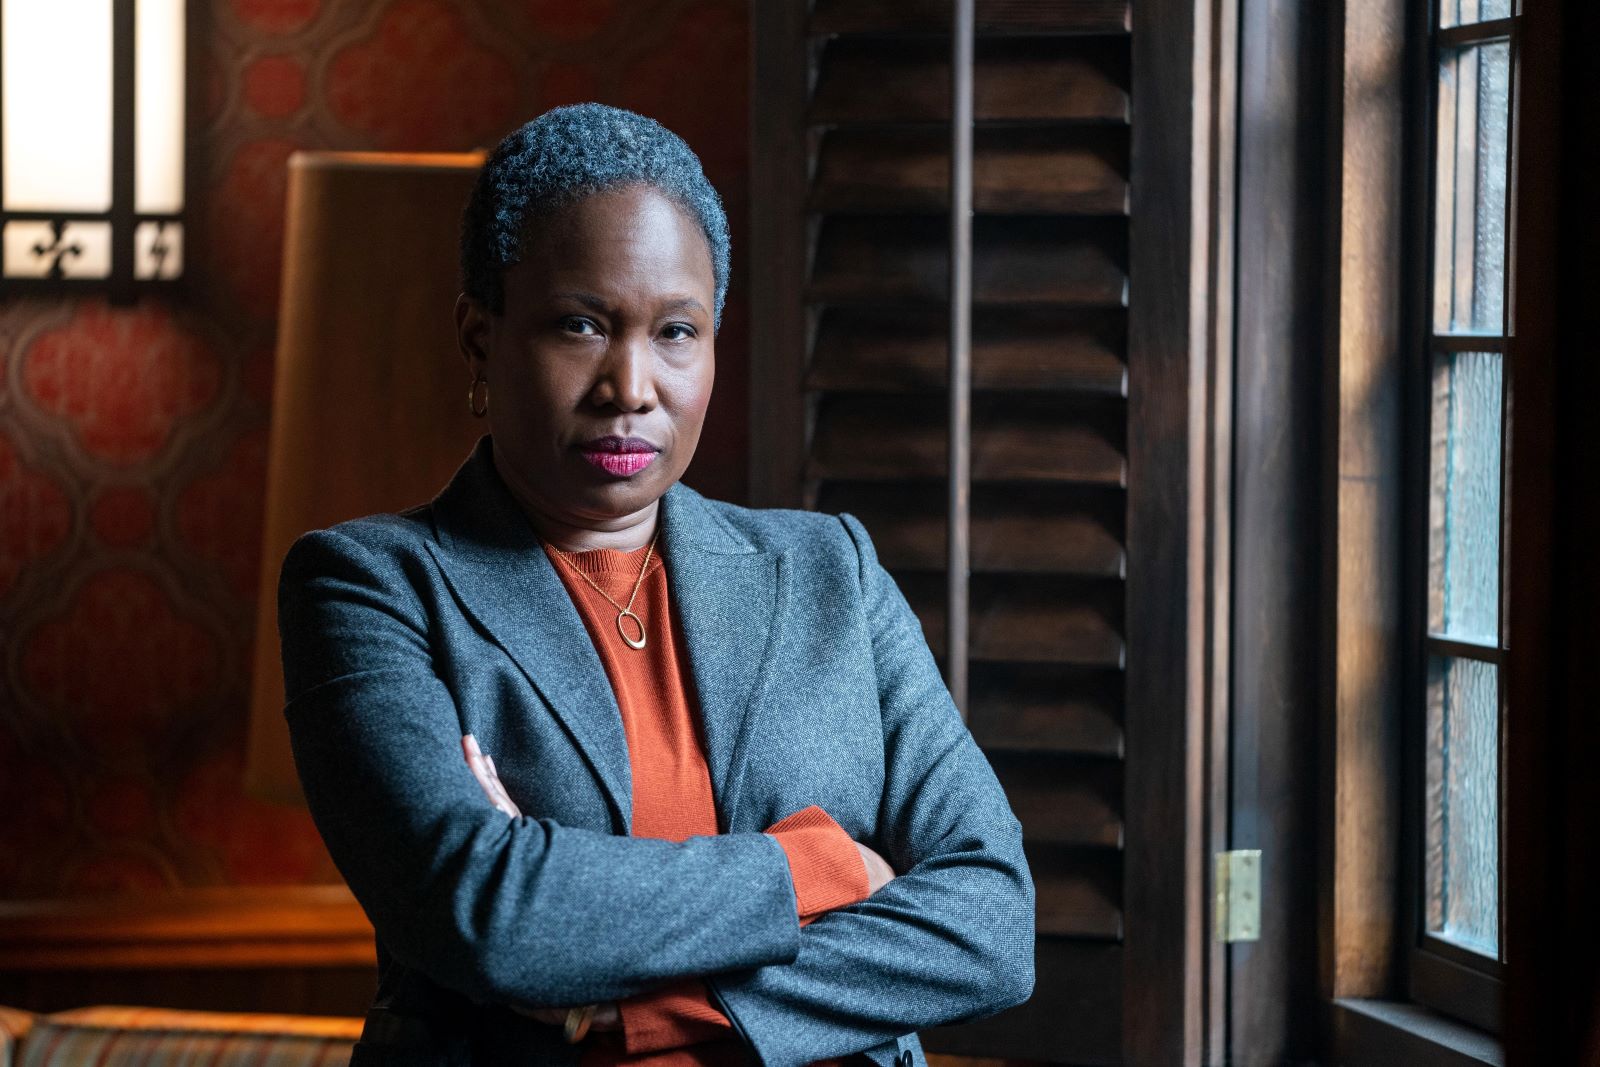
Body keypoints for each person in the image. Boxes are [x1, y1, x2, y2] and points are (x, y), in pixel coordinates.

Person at [277, 103, 1034, 1067]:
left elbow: (992, 925)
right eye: (580, 325)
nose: (631, 385)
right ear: (480, 337)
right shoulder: (371, 588)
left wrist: (643, 1007)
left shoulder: (830, 572)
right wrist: (822, 864)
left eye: (677, 330)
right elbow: (491, 911)